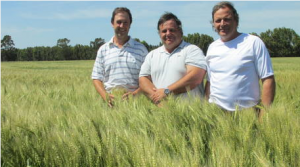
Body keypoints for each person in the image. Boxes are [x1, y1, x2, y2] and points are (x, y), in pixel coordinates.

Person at [205, 1, 276, 116]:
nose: (222, 24)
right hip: (217, 114)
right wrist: (205, 110)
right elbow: (210, 81)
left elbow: (268, 79)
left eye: (227, 19)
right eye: (218, 20)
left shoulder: (253, 42)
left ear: (236, 20)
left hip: (247, 114)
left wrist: (264, 115)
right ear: (213, 24)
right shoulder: (212, 47)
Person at [139, 12, 207, 105]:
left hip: (189, 116)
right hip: (161, 114)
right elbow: (143, 79)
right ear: (159, 34)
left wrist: (167, 92)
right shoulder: (152, 55)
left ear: (180, 31)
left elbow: (195, 77)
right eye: (164, 31)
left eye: (172, 30)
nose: (168, 33)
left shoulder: (192, 50)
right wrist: (158, 99)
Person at [91, 7, 148, 107]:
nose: (122, 26)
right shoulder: (103, 49)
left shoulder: (141, 49)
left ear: (130, 24)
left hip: (136, 106)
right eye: (119, 22)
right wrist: (105, 96)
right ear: (112, 23)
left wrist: (135, 95)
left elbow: (148, 78)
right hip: (109, 106)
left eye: (125, 22)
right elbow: (96, 77)